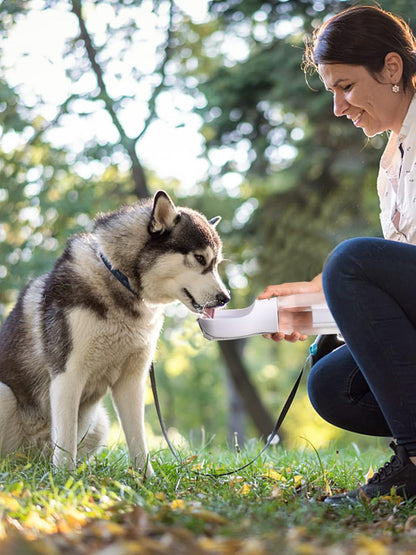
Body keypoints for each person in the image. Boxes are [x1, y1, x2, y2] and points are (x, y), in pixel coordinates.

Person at [258, 5, 416, 504]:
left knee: (349, 260)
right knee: (331, 381)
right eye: (331, 90)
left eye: (345, 86)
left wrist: (340, 279)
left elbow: (374, 269)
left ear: (392, 68)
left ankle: (414, 461)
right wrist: (311, 303)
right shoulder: (392, 160)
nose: (338, 107)